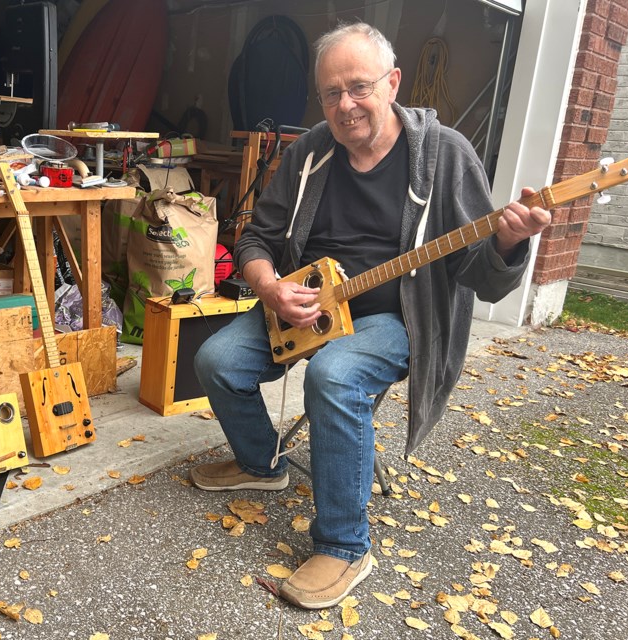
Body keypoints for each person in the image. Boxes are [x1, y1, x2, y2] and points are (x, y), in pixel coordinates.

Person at [191, 22, 551, 610]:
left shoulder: (445, 156)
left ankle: (344, 544)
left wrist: (510, 244)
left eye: (358, 87)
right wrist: (271, 286)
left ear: (393, 83)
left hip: (396, 316)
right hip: (306, 304)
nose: (345, 105)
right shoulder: (310, 151)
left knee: (335, 375)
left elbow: (480, 278)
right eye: (330, 93)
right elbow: (257, 238)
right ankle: (262, 463)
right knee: (216, 360)